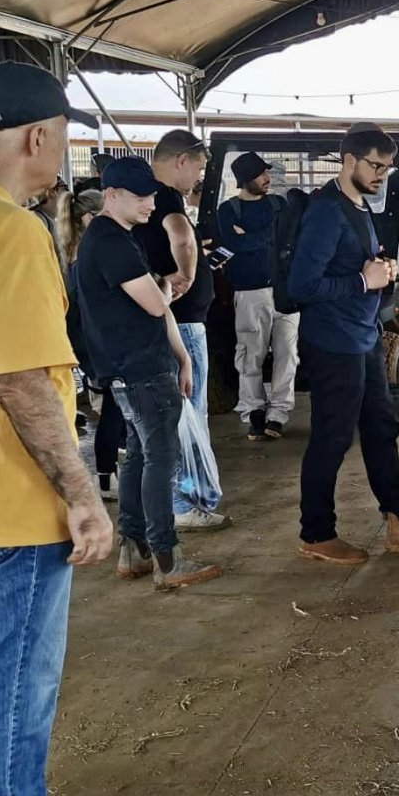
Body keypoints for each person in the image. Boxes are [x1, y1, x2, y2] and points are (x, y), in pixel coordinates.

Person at [0, 60, 124, 796]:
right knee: (18, 679)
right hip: (15, 503)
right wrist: (82, 492)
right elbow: (20, 379)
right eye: (67, 133)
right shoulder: (15, 232)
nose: (66, 150)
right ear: (38, 137)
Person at [289, 125, 399, 564]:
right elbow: (302, 285)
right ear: (349, 160)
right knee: (333, 437)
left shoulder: (358, 206)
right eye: (376, 165)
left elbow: (354, 265)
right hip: (332, 343)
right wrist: (363, 279)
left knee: (382, 427)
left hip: (361, 337)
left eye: (387, 167)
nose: (382, 174)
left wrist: (380, 273)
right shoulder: (326, 211)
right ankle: (316, 533)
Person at [76, 157, 223, 593]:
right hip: (140, 366)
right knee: (161, 458)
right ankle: (167, 558)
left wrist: (182, 355)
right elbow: (156, 304)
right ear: (112, 195)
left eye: (153, 196)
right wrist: (164, 287)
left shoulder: (111, 237)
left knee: (140, 455)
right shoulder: (112, 242)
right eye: (141, 198)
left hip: (127, 366)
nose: (149, 205)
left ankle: (134, 549)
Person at [134, 129, 226, 530]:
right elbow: (182, 236)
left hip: (174, 318)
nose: (198, 179)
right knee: (186, 412)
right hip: (182, 322)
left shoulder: (145, 197)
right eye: (200, 168)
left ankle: (175, 500)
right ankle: (184, 502)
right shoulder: (166, 197)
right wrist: (188, 273)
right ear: (181, 160)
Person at [217, 152, 299, 441]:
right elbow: (233, 246)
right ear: (244, 180)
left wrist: (249, 237)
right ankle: (254, 411)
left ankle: (278, 413)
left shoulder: (279, 203)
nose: (267, 179)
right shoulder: (229, 210)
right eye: (261, 175)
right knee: (251, 353)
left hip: (285, 291)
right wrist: (270, 233)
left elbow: (287, 237)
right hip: (250, 291)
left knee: (288, 354)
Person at [59, 185, 126, 502]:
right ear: (88, 218)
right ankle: (106, 478)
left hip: (92, 345)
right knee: (114, 411)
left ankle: (108, 476)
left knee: (113, 410)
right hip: (98, 345)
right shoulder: (87, 257)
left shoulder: (75, 255)